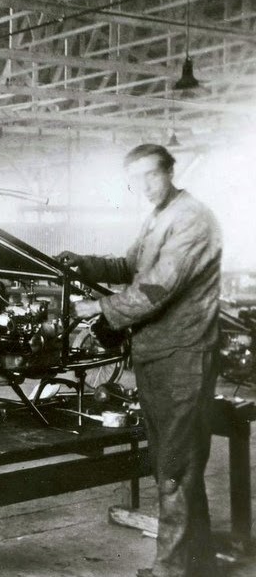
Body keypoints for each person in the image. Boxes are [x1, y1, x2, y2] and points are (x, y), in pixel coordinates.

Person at [58, 144, 222, 577]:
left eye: (152, 175)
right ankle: (197, 565)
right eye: (136, 179)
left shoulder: (192, 218)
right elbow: (130, 265)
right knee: (175, 465)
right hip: (156, 354)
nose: (145, 186)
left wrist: (100, 308)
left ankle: (171, 570)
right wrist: (85, 264)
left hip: (184, 356)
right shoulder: (157, 218)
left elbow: (156, 288)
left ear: (170, 171)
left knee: (176, 467)